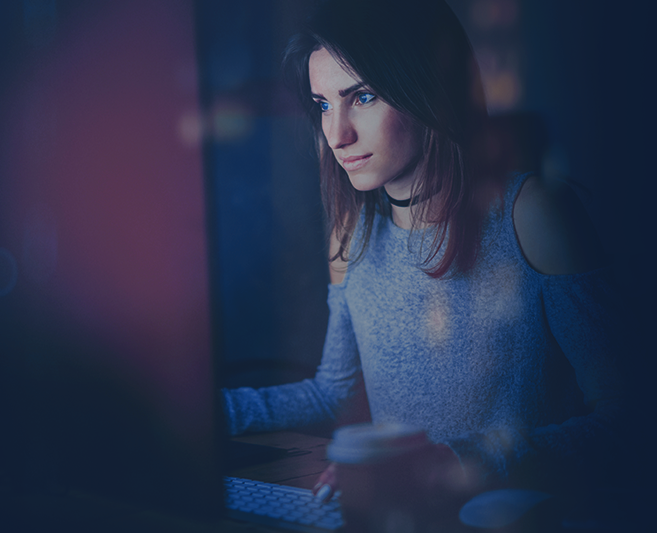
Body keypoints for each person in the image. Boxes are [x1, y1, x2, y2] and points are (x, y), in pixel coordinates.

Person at [222, 0, 623, 513]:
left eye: (361, 96)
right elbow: (332, 392)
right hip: (404, 518)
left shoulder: (536, 212)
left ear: (428, 89)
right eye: (323, 104)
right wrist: (208, 413)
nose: (336, 134)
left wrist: (456, 463)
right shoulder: (351, 232)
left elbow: (625, 418)